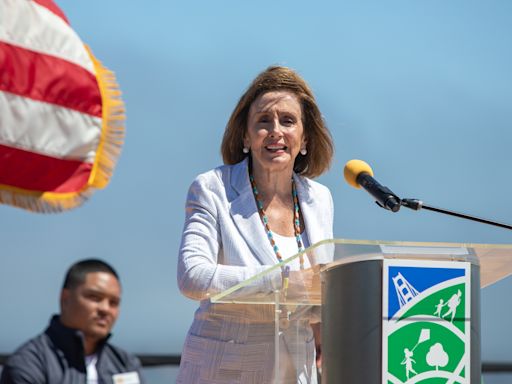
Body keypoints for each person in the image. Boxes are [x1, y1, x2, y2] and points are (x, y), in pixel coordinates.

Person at [177, 66, 334, 383]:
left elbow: (314, 293)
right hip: (224, 371)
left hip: (296, 370)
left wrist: (336, 298)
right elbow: (192, 277)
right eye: (264, 121)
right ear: (246, 137)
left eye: (288, 121)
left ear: (305, 138)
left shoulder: (319, 198)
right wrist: (285, 282)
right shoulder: (213, 188)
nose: (276, 130)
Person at [0, 259, 144, 384]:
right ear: (65, 298)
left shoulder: (125, 364)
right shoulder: (30, 364)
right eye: (94, 297)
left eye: (114, 302)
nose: (105, 309)